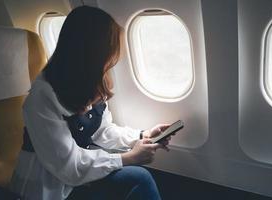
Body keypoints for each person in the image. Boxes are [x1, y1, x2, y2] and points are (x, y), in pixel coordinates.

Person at [10, 5, 172, 200]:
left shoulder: (93, 81)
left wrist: (142, 134)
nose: (109, 67)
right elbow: (68, 166)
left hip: (82, 175)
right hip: (50, 187)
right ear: (89, 56)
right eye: (108, 59)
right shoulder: (41, 98)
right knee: (139, 177)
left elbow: (102, 131)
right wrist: (127, 158)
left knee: (139, 179)